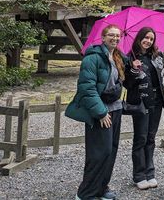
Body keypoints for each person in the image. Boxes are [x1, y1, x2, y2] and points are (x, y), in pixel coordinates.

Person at [65, 24, 127, 200]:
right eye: (111, 35)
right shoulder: (92, 59)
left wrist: (135, 67)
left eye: (118, 36)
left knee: (111, 151)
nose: (115, 38)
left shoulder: (117, 57)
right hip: (101, 112)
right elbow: (87, 88)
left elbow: (123, 76)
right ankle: (85, 193)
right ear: (103, 37)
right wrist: (100, 113)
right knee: (99, 152)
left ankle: (101, 188)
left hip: (115, 109)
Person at [123, 27, 164, 190]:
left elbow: (162, 79)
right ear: (139, 38)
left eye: (151, 39)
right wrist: (133, 69)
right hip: (140, 102)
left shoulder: (158, 56)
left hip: (157, 101)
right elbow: (126, 84)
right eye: (146, 38)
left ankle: (150, 173)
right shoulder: (130, 57)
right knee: (140, 138)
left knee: (151, 138)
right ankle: (139, 175)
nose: (148, 41)